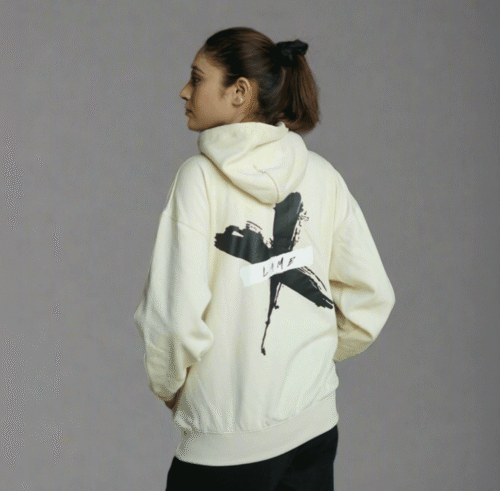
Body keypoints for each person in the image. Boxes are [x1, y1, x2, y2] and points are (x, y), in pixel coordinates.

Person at [133, 27, 395, 491]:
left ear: (239, 92)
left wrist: (173, 388)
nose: (184, 91)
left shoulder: (199, 181)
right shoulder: (323, 176)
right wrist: (304, 363)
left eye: (197, 78)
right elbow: (370, 298)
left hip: (226, 445)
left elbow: (173, 320)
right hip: (314, 429)